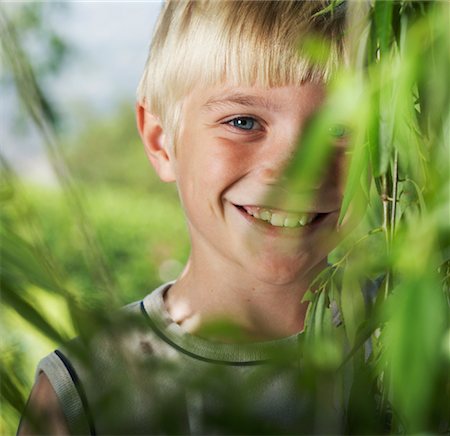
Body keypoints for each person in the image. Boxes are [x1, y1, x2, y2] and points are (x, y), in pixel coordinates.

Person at [18, 1, 350, 434]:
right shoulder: (86, 393)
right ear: (161, 141)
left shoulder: (426, 347)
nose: (298, 169)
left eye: (343, 129)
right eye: (244, 121)